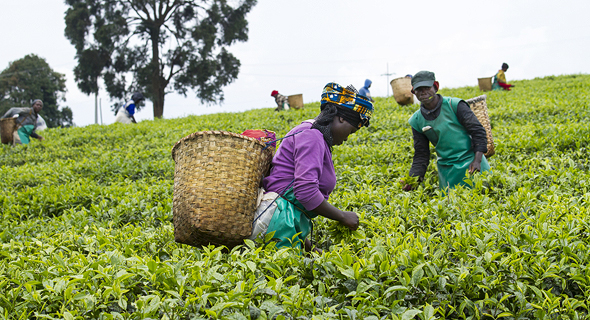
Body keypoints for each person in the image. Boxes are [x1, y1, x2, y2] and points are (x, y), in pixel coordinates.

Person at [252, 82, 374, 252]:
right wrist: (342, 216)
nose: (347, 137)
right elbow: (305, 192)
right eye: (351, 131)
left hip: (282, 222)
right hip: (276, 222)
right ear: (341, 118)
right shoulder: (312, 135)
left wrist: (308, 247)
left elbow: (292, 205)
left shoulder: (315, 136)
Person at [404, 71, 490, 191]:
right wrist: (412, 179)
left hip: (473, 164)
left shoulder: (455, 105)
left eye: (427, 87)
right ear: (414, 92)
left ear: (436, 86)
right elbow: (421, 154)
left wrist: (477, 160)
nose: (424, 92)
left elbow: (478, 131)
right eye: (419, 89)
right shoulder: (417, 120)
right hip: (448, 172)